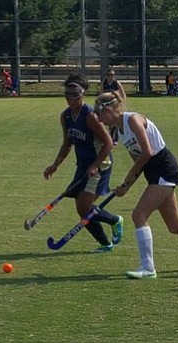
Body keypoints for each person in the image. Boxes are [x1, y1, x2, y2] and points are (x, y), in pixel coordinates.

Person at [95, 91, 178, 279]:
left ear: (107, 109)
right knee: (175, 226)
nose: (99, 119)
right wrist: (127, 186)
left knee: (138, 215)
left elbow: (147, 152)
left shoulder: (133, 120)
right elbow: (137, 160)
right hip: (152, 171)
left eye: (99, 114)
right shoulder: (118, 130)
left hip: (164, 167)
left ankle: (148, 268)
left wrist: (127, 179)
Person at [43, 74, 124, 253]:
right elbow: (67, 143)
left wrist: (95, 165)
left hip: (101, 164)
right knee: (82, 210)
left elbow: (108, 143)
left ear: (83, 95)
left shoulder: (90, 116)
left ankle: (115, 220)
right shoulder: (65, 116)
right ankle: (105, 243)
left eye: (76, 96)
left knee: (84, 207)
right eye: (68, 96)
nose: (72, 100)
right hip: (83, 165)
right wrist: (54, 165)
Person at [101, 68, 126, 145]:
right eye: (108, 75)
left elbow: (123, 94)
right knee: (107, 121)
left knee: (115, 121)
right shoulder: (104, 83)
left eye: (112, 75)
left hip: (115, 104)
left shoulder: (116, 83)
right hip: (107, 104)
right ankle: (107, 137)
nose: (110, 77)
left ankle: (115, 139)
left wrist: (121, 102)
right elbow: (101, 93)